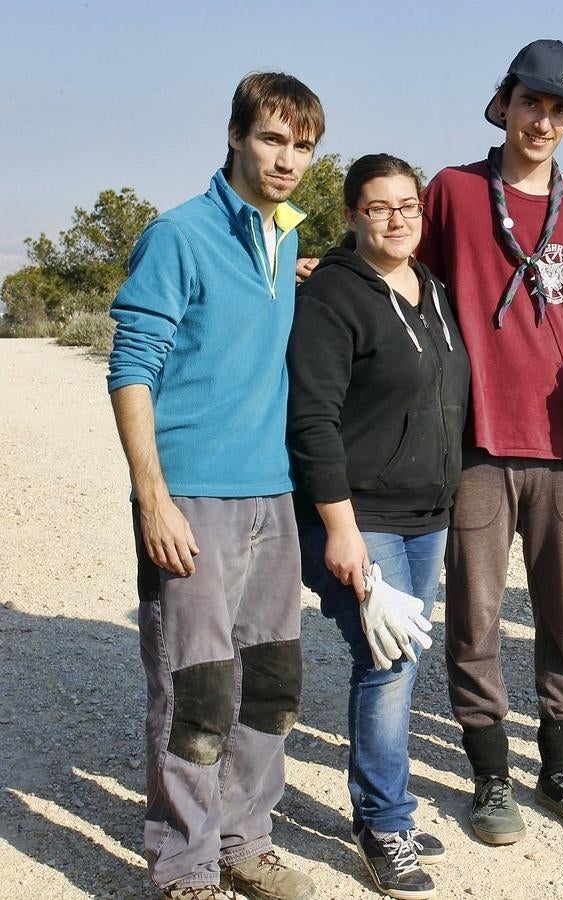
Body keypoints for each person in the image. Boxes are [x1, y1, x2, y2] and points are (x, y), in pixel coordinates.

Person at [107, 73, 324, 900]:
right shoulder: (179, 234)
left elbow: (279, 285)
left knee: (269, 685)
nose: (287, 160)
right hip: (192, 496)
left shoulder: (281, 233)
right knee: (194, 689)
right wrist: (152, 498)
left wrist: (295, 263)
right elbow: (131, 371)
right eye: (273, 139)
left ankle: (244, 839)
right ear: (235, 136)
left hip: (272, 494)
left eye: (302, 146)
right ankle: (185, 864)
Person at [416, 39, 563, 844]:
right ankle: (491, 775)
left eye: (560, 108)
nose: (544, 120)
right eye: (532, 102)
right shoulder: (454, 193)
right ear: (503, 102)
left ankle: (561, 769)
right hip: (476, 438)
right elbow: (416, 289)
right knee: (473, 612)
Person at [287, 154, 470, 898]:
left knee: (401, 658)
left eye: (408, 206)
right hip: (364, 516)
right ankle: (383, 823)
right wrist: (340, 529)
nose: (397, 219)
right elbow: (313, 421)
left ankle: (385, 800)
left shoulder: (432, 289)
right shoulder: (332, 295)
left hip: (429, 515)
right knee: (386, 663)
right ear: (353, 215)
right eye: (378, 207)